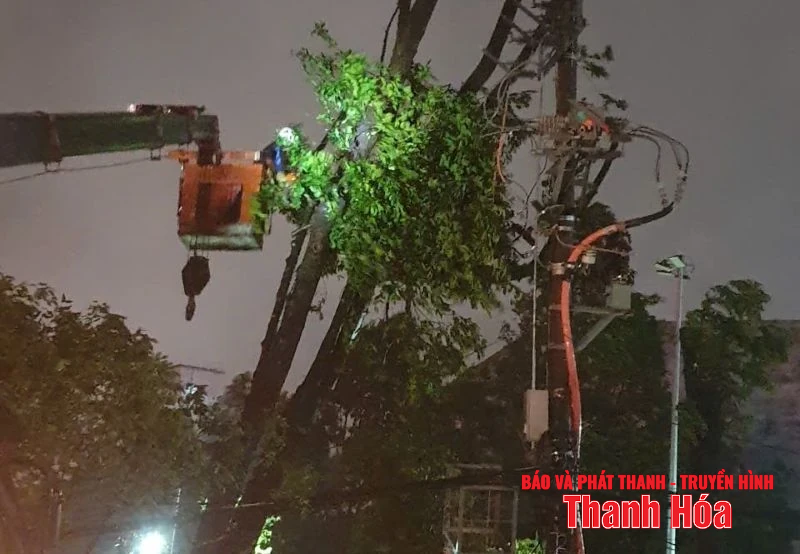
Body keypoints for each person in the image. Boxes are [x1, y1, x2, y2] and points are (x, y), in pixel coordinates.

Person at [181, 254, 210, 321]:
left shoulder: (187, 291)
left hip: (194, 261)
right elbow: (206, 277)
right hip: (199, 262)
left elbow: (184, 273)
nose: (190, 303)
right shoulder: (197, 290)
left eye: (189, 305)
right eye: (192, 306)